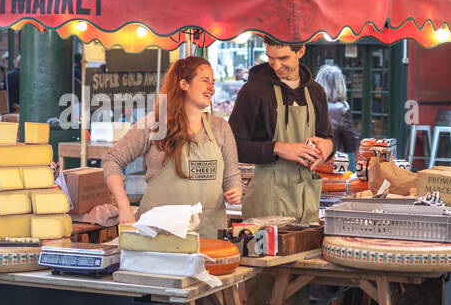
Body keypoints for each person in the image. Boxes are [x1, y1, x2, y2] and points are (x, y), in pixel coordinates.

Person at [102, 56, 242, 239]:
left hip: (208, 237)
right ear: (184, 84)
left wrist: (235, 190)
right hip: (157, 238)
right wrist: (124, 206)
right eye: (205, 81)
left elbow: (232, 175)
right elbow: (112, 160)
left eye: (213, 82)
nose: (212, 88)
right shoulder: (155, 124)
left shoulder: (220, 128)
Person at [228, 38, 335, 225]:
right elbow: (232, 146)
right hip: (266, 201)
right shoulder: (253, 91)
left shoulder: (316, 92)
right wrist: (277, 148)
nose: (276, 66)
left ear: (300, 51)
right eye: (270, 58)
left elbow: (326, 136)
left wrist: (328, 146)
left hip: (306, 199)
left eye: (283, 58)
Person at [314, 62, 360, 156]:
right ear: (340, 85)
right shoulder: (341, 109)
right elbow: (350, 144)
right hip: (331, 160)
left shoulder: (307, 103)